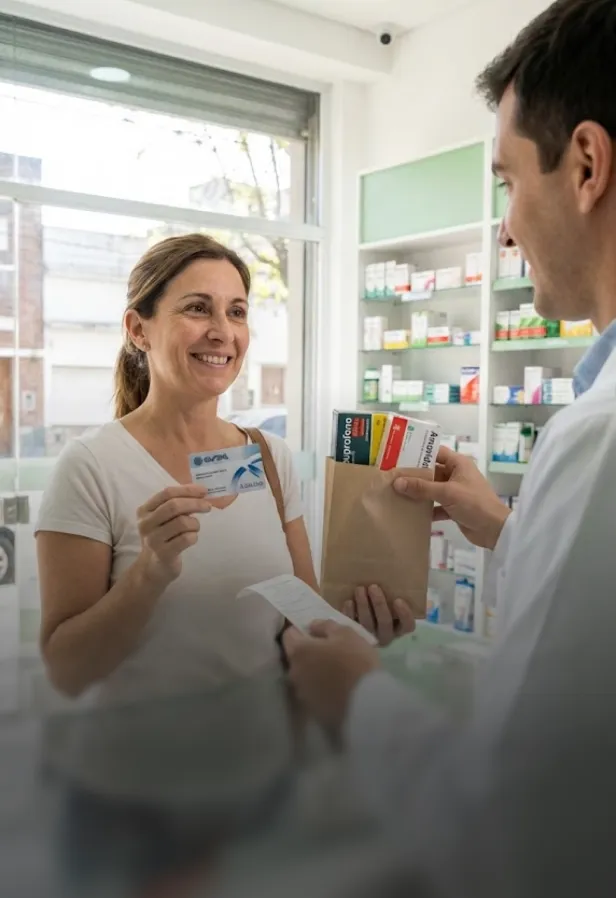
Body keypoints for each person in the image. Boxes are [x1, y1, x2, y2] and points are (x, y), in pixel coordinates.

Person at [283, 1, 616, 895]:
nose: (504, 226)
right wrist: (509, 528)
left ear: (587, 164)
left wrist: (356, 696)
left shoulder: (601, 435)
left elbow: (512, 828)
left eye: (507, 180)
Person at [35, 234, 411, 704]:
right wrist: (151, 571)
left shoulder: (270, 457)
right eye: (197, 308)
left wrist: (359, 629)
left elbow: (305, 620)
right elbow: (66, 672)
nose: (222, 331)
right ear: (138, 329)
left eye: (236, 311)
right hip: (133, 775)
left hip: (272, 769)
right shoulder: (90, 466)